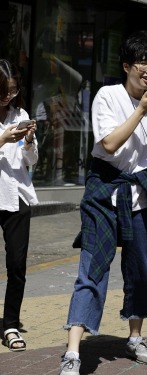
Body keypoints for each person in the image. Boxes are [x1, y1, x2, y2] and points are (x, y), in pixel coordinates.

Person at [59, 31, 147, 375]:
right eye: (142, 61)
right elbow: (110, 144)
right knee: (93, 268)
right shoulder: (108, 95)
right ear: (127, 65)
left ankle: (135, 337)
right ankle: (73, 350)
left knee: (141, 271)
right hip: (104, 193)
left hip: (142, 195)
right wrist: (141, 111)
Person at [0, 59, 38, 352]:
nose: (7, 97)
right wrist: (1, 138)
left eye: (12, 91)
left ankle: (10, 324)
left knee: (17, 264)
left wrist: (28, 142)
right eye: (3, 91)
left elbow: (30, 161)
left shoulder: (20, 113)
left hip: (16, 197)